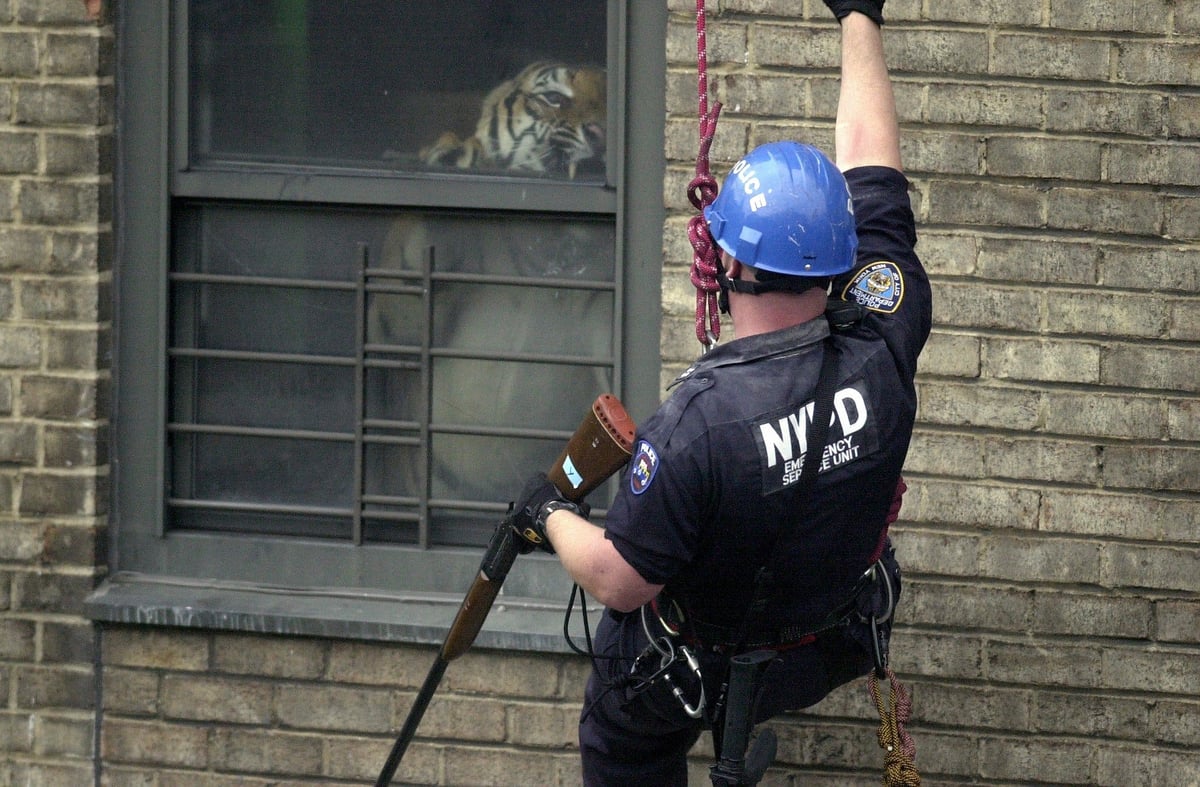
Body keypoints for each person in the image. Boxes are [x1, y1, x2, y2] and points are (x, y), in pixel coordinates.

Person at [510, 1, 931, 784]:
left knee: (619, 716)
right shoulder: (885, 332)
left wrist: (548, 514)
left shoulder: (698, 426)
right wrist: (859, 17)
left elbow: (619, 576)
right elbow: (874, 165)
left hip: (698, 673)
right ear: (838, 259)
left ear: (729, 266)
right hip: (827, 644)